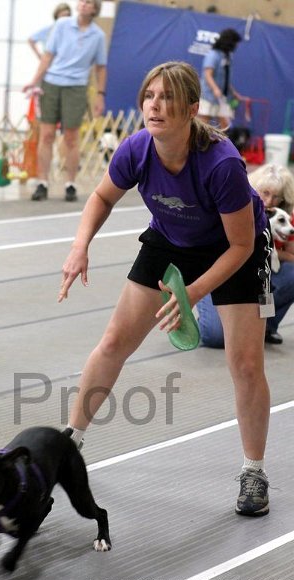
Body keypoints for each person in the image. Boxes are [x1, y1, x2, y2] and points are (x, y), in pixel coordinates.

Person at [59, 61, 272, 517]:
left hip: (235, 248)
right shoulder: (136, 149)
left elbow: (240, 245)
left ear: (192, 108)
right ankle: (70, 443)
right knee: (114, 341)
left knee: (245, 363)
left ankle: (253, 471)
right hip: (171, 237)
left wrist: (193, 293)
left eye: (168, 97)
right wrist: (80, 247)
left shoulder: (222, 164)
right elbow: (100, 197)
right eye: (149, 95)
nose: (155, 105)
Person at [197, 163, 294, 346]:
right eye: (265, 193)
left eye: (277, 197)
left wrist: (269, 252)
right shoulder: (231, 204)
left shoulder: (283, 217)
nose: (270, 201)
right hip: (222, 271)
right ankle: (208, 320)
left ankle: (266, 326)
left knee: (291, 274)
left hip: (258, 272)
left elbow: (291, 255)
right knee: (216, 338)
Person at [23, 0, 107, 203]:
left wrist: (100, 94)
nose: (84, 5)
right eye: (82, 1)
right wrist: (34, 81)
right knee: (47, 135)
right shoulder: (61, 25)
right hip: (52, 82)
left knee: (71, 137)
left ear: (95, 9)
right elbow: (48, 56)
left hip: (77, 87)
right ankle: (42, 182)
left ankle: (70, 184)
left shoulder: (98, 35)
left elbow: (101, 67)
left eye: (89, 3)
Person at [198, 28, 246, 130]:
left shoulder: (228, 56)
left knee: (225, 124)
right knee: (203, 123)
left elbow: (225, 78)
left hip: (222, 97)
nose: (237, 45)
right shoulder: (213, 55)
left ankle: (223, 145)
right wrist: (215, 89)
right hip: (208, 96)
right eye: (235, 42)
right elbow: (208, 75)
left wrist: (234, 92)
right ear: (229, 41)